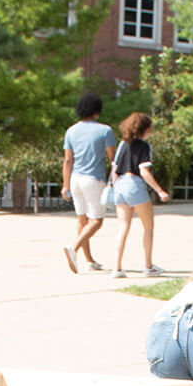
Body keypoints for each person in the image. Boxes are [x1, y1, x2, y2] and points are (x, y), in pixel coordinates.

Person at [104, 112, 173, 278]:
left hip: (120, 185)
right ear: (145, 129)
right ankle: (148, 266)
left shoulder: (122, 145)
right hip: (134, 185)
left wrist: (117, 188)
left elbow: (115, 170)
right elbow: (144, 171)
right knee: (148, 227)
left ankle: (117, 268)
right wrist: (160, 190)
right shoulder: (144, 146)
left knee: (123, 227)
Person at [61, 94, 114, 273]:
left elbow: (67, 160)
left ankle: (89, 260)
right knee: (97, 221)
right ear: (97, 110)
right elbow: (112, 158)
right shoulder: (105, 130)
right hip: (94, 179)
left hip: (75, 179)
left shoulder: (71, 131)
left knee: (82, 220)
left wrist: (65, 185)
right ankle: (73, 248)